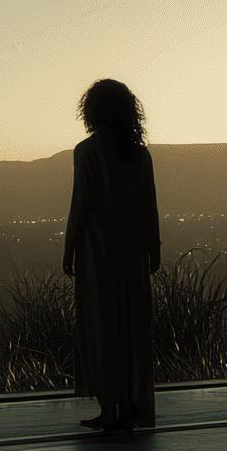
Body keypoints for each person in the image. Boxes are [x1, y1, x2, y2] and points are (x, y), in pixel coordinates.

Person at [63, 79, 159, 431]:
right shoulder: (140, 153)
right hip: (133, 253)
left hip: (97, 253)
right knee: (132, 328)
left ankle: (109, 409)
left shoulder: (86, 151)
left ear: (91, 111)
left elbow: (80, 203)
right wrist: (154, 249)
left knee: (102, 326)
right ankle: (133, 407)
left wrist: (69, 248)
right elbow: (150, 203)